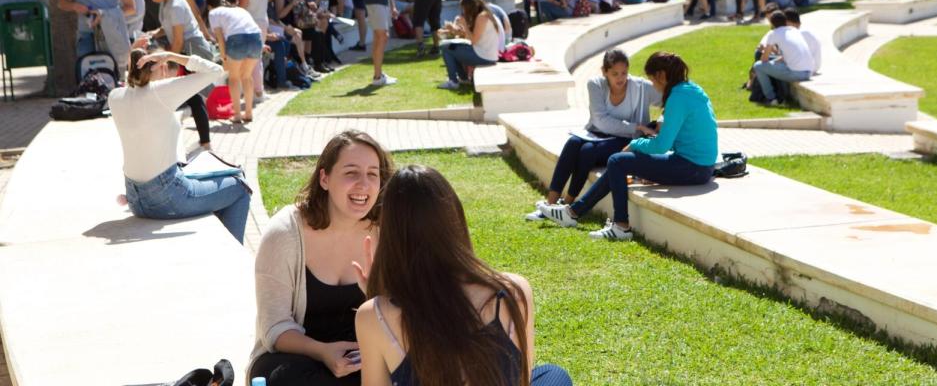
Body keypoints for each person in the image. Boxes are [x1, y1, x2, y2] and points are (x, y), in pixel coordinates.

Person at [355, 164, 573, 386]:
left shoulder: (373, 316)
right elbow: (520, 379)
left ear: (390, 234)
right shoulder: (513, 289)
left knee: (551, 374)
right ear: (455, 219)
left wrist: (377, 298)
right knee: (553, 375)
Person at [249, 131, 394, 386]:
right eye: (351, 172)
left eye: (373, 174)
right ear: (324, 178)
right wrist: (323, 352)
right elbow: (274, 326)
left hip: (366, 358)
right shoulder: (285, 233)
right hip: (298, 357)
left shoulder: (387, 231)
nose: (364, 184)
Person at [538, 51, 717, 241]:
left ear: (661, 76)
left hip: (692, 168)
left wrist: (635, 144)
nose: (654, 86)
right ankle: (572, 212)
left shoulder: (677, 98)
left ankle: (619, 226)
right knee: (618, 161)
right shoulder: (690, 90)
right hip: (699, 166)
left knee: (617, 160)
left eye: (653, 80)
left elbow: (662, 145)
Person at [110, 46, 250, 243]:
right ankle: (234, 257)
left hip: (134, 199)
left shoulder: (115, 97)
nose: (166, 69)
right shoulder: (161, 93)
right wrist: (171, 55)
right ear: (156, 67)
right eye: (163, 65)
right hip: (166, 198)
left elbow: (134, 91)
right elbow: (215, 70)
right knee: (240, 187)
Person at [526, 49, 660, 221]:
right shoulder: (595, 84)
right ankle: (550, 204)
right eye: (614, 74)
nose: (620, 78)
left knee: (587, 150)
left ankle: (566, 204)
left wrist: (659, 124)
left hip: (624, 140)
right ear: (604, 72)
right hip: (597, 134)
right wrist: (637, 126)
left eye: (624, 73)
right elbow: (600, 121)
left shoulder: (641, 87)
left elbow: (671, 98)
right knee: (573, 142)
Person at [206, 0, 262, 123]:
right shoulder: (239, 9)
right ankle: (248, 113)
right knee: (247, 76)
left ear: (209, 6)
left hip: (237, 40)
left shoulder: (213, 13)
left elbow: (220, 38)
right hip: (255, 38)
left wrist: (224, 57)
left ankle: (237, 115)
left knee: (234, 78)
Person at [143, 0, 214, 60]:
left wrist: (167, 62)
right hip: (186, 52)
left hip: (195, 53)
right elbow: (170, 25)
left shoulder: (175, 6)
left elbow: (178, 42)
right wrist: (152, 34)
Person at [437, 0, 502, 90]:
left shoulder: (482, 17)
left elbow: (474, 40)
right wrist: (456, 30)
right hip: (485, 54)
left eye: (464, 8)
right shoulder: (484, 14)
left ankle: (453, 81)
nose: (463, 11)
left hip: (483, 56)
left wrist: (464, 24)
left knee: (445, 47)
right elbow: (472, 37)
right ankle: (463, 78)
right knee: (450, 46)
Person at [752, 11, 816, 106]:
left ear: (771, 23)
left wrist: (767, 54)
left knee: (757, 66)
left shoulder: (773, 33)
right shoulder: (794, 30)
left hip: (796, 73)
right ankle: (782, 96)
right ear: (785, 21)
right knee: (777, 64)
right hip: (808, 72)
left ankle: (772, 98)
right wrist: (774, 62)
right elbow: (787, 56)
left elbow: (764, 59)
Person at [238, 0, 271, 102]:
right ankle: (259, 90)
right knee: (258, 59)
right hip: (263, 21)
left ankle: (256, 92)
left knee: (251, 59)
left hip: (251, 24)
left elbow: (242, 8)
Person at [783, 8, 821, 75]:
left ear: (796, 23)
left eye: (786, 24)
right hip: (811, 66)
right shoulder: (802, 32)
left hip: (807, 68)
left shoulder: (800, 34)